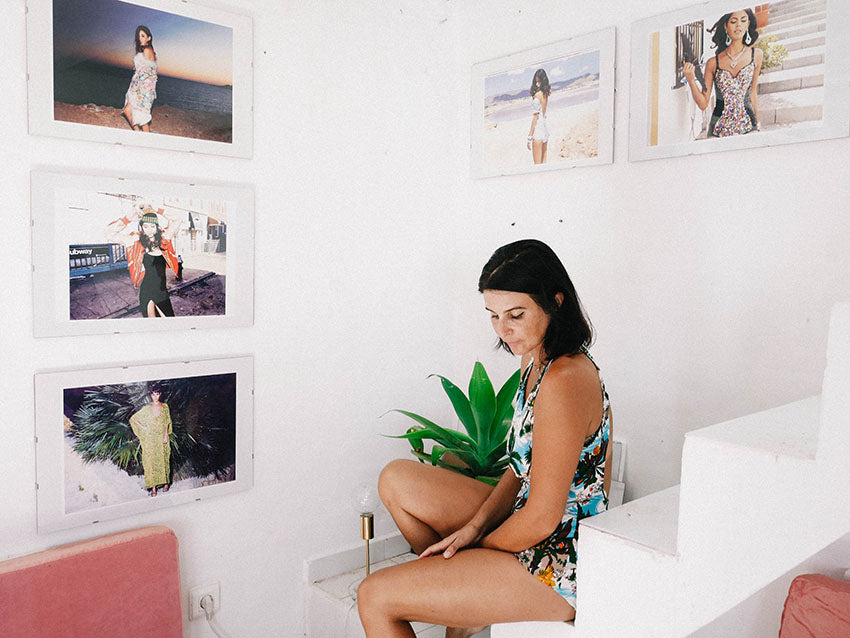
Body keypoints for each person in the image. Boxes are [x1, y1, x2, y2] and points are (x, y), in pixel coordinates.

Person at [358, 239, 613, 637]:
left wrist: (477, 551)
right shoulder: (537, 361)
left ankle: (464, 602)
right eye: (493, 315)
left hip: (559, 559)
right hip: (530, 521)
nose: (503, 329)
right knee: (396, 478)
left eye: (516, 314)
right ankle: (462, 606)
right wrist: (475, 527)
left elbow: (544, 519)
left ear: (556, 302)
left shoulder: (565, 380)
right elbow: (519, 467)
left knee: (374, 596)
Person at [682, 9, 763, 137]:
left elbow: (753, 92)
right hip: (718, 129)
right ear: (726, 26)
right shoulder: (713, 63)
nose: (739, 25)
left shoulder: (756, 55)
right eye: (733, 21)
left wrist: (757, 124)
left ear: (748, 24)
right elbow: (703, 104)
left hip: (749, 126)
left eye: (743, 20)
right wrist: (691, 79)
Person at [106, 203, 182, 317]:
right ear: (142, 227)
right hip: (146, 291)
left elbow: (177, 218)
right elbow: (109, 233)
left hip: (162, 293)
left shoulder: (165, 238)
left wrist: (157, 209)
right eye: (145, 227)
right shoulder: (135, 241)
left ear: (157, 226)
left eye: (152, 226)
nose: (149, 230)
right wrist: (128, 218)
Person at [129, 383, 172, 496]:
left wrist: (166, 435)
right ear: (150, 395)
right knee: (151, 461)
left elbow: (167, 422)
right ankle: (153, 487)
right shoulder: (147, 409)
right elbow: (133, 419)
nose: (155, 397)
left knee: (164, 459)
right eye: (153, 395)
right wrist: (143, 427)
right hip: (150, 438)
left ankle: (166, 483)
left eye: (157, 394)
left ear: (160, 395)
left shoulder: (165, 407)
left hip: (161, 437)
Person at [122, 25, 158, 132]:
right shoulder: (147, 50)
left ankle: (143, 139)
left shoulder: (147, 50)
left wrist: (141, 91)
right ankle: (138, 134)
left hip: (142, 90)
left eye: (143, 36)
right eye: (139, 36)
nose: (140, 38)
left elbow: (149, 74)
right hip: (140, 87)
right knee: (128, 111)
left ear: (149, 38)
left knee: (142, 119)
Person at [527, 69, 551, 164]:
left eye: (538, 81)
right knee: (544, 164)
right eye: (536, 82)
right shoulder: (546, 94)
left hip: (538, 131)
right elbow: (543, 113)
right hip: (544, 130)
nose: (537, 84)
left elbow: (535, 117)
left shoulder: (537, 95)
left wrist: (529, 136)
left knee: (537, 166)